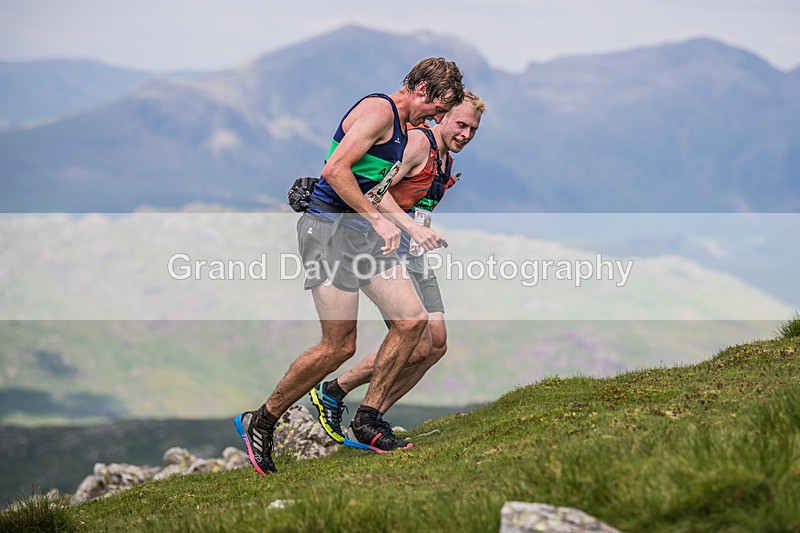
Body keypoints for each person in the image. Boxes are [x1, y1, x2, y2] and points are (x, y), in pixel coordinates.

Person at [234, 58, 465, 475]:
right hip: (326, 232)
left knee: (412, 322)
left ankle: (369, 418)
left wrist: (381, 220)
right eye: (439, 107)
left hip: (359, 235)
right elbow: (335, 170)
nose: (440, 118)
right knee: (339, 346)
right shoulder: (380, 111)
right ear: (421, 91)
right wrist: (377, 217)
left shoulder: (404, 129)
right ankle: (262, 419)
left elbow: (363, 179)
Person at [309, 91, 485, 446]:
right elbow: (378, 188)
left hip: (412, 251)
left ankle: (364, 413)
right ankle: (353, 408)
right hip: (386, 245)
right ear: (443, 116)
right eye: (461, 124)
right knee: (417, 341)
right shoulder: (418, 143)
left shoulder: (446, 159)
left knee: (436, 346)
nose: (466, 134)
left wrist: (420, 233)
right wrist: (410, 228)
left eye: (473, 129)